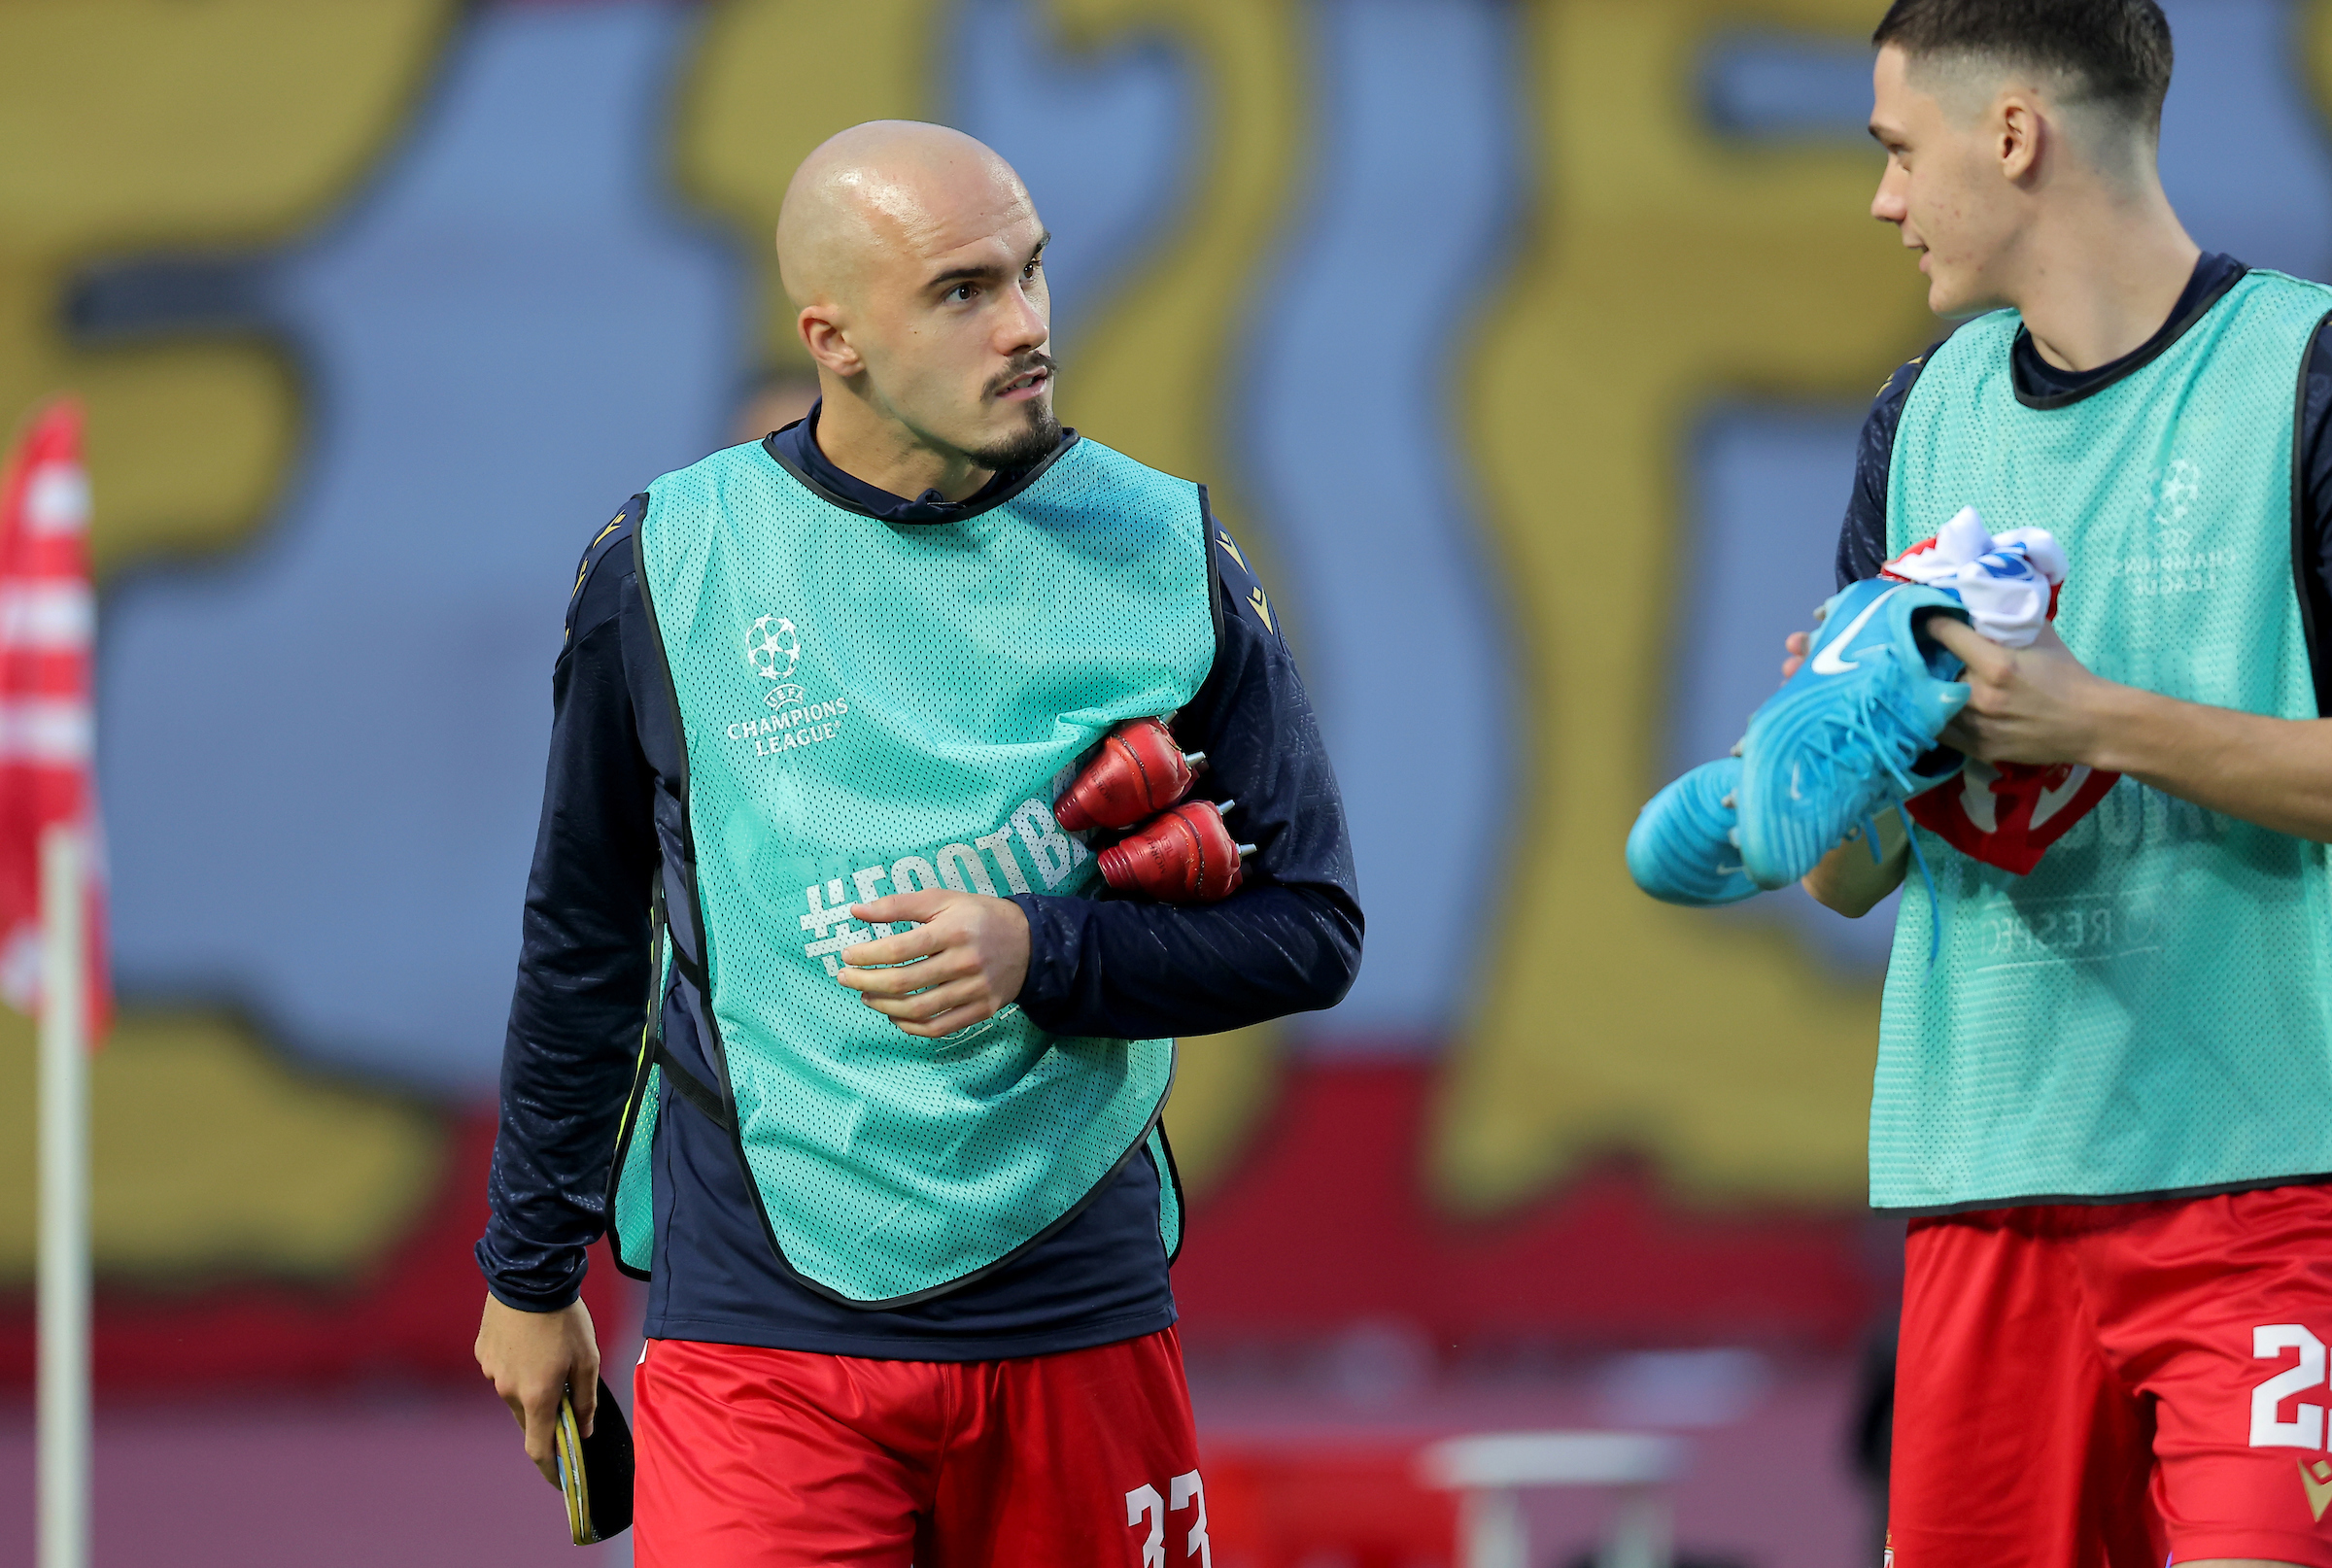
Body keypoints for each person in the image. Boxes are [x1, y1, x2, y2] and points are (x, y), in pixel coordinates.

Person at [471, 120, 1361, 1566]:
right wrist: (527, 1270)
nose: (1024, 328)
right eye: (962, 292)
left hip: (1072, 1306)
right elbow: (585, 939)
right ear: (835, 338)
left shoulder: (1162, 549)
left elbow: (1313, 924)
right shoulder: (665, 565)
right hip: (758, 1332)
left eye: (1032, 274)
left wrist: (1044, 949)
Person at [1796, 4, 2332, 1565]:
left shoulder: (2304, 373)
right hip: (1985, 1189)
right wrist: (1837, 747)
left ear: (2013, 135)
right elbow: (1848, 875)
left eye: (1899, 151)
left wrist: (2091, 718)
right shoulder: (1919, 420)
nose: (1885, 201)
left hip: (2269, 1190)